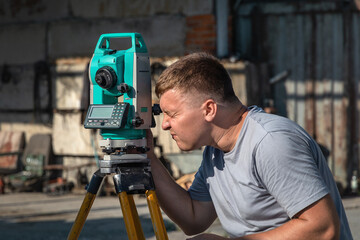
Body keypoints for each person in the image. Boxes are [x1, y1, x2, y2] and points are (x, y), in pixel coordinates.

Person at [147, 52, 353, 240]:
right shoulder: (214, 152)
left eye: (172, 114)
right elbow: (194, 218)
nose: (164, 124)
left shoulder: (270, 142)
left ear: (209, 109)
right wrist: (148, 158)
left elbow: (323, 228)